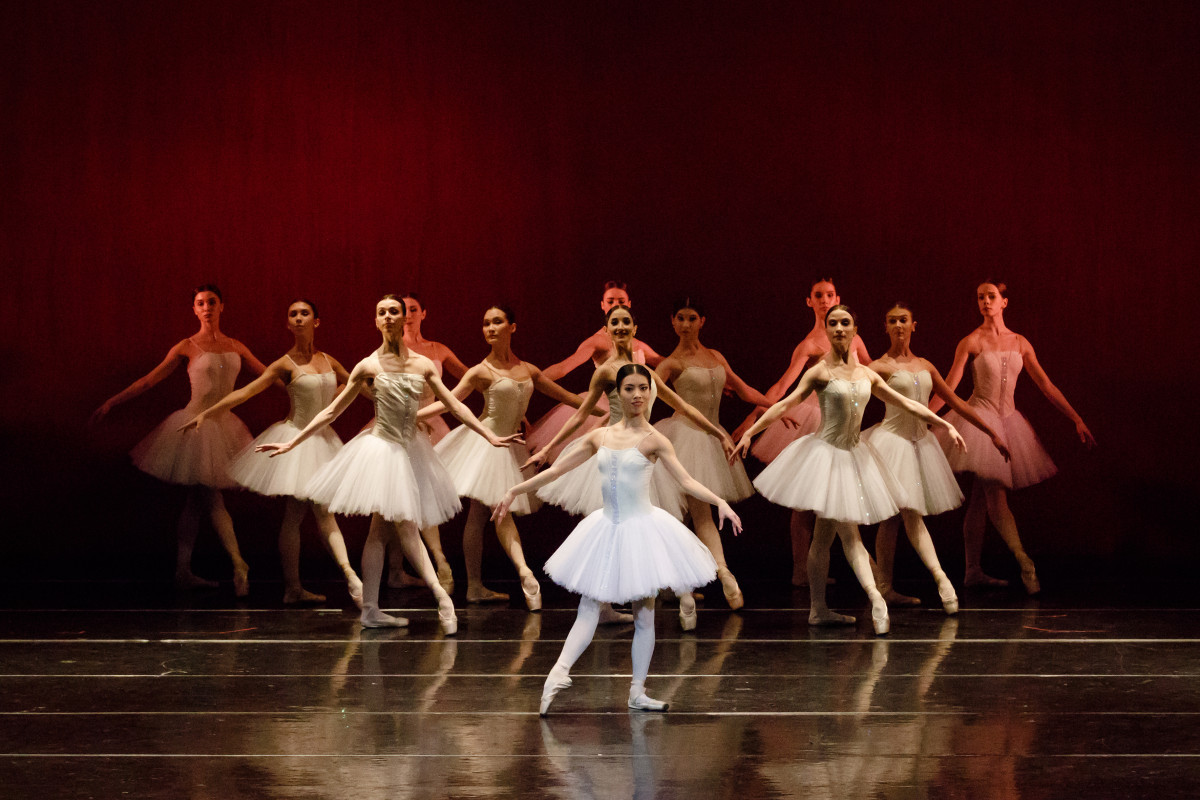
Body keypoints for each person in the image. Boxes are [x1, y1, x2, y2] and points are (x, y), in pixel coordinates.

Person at [255, 295, 519, 631]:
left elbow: (455, 405)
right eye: (382, 312)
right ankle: (440, 598)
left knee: (380, 532)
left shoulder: (422, 365)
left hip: (410, 451)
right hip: (380, 451)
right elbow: (332, 410)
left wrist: (488, 435)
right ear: (376, 321)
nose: (389, 316)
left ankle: (372, 609)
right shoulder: (368, 366)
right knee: (401, 528)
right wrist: (294, 440)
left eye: (395, 311)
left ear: (403, 317)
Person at [494, 364, 741, 714]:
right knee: (589, 606)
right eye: (630, 388)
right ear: (618, 393)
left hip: (643, 531)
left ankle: (637, 691)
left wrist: (720, 503)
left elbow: (686, 481)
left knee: (644, 614)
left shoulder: (655, 440)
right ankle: (558, 673)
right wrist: (514, 490)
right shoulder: (599, 437)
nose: (637, 394)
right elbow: (556, 470)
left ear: (650, 393)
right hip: (606, 529)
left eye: (643, 388)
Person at [735, 306, 966, 635]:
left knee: (824, 536)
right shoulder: (819, 373)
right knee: (846, 535)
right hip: (827, 457)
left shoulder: (867, 375)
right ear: (827, 330)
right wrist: (749, 430)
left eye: (845, 323)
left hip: (854, 455)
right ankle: (875, 599)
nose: (839, 329)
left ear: (855, 329)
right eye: (833, 324)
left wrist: (943, 423)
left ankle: (820, 610)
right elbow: (786, 403)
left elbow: (909, 403)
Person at [526, 304, 736, 629]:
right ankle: (608, 605)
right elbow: (581, 414)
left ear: (635, 328)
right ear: (607, 330)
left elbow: (680, 405)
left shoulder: (645, 373)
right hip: (614, 456)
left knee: (656, 530)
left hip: (644, 457)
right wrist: (550, 447)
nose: (621, 327)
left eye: (626, 322)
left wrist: (717, 432)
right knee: (608, 532)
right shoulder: (606, 372)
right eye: (615, 323)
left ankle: (682, 593)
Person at [181, 299, 363, 605]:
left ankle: (324, 581)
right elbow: (246, 391)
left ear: (316, 321)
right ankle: (337, 579)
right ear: (288, 324)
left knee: (314, 512)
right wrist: (208, 412)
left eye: (305, 313)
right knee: (305, 513)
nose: (299, 318)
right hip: (294, 440)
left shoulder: (330, 361)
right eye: (293, 314)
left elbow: (361, 388)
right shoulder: (283, 364)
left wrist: (402, 409)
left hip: (323, 442)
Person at [91, 284, 267, 595]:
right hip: (194, 428)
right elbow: (148, 380)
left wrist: (312, 392)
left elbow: (269, 375)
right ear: (194, 309)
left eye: (212, 302)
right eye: (200, 303)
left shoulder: (237, 346)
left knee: (197, 501)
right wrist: (112, 402)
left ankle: (184, 570)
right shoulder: (186, 346)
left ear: (222, 306)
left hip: (223, 427)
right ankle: (238, 562)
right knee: (209, 497)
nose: (206, 307)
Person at [421, 304, 596, 608]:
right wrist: (411, 415)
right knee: (501, 507)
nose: (490, 328)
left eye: (497, 322)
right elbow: (449, 402)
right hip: (486, 443)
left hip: (511, 444)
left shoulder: (528, 370)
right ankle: (525, 572)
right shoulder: (480, 371)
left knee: (479, 514)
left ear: (512, 327)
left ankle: (475, 586)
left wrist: (609, 414)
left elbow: (567, 397)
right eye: (486, 323)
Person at [930, 281, 1096, 593]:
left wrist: (1076, 418)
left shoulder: (1020, 342)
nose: (985, 302)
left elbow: (1046, 385)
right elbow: (949, 389)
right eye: (980, 297)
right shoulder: (971, 341)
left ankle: (972, 570)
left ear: (1004, 302)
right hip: (981, 423)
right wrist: (923, 415)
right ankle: (1024, 561)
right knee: (994, 492)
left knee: (980, 499)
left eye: (991, 296)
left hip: (1010, 422)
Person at [862, 302, 1011, 613]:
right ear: (885, 327)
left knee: (903, 516)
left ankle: (895, 585)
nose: (899, 325)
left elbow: (954, 400)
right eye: (893, 321)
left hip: (919, 445)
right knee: (898, 517)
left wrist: (990, 432)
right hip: (891, 443)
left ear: (914, 325)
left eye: (904, 319)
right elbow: (851, 396)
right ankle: (935, 583)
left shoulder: (926, 366)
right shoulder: (878, 367)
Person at [732, 279, 871, 586]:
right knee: (805, 501)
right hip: (813, 421)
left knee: (836, 495)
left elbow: (875, 374)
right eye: (818, 296)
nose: (825, 300)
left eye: (830, 295)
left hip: (843, 422)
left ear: (838, 297)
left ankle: (851, 565)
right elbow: (783, 388)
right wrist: (750, 424)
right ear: (809, 301)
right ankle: (802, 570)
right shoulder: (809, 346)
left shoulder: (854, 339)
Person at [654, 297, 770, 610]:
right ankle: (717, 576)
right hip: (683, 439)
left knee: (693, 514)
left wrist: (776, 408)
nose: (686, 324)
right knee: (691, 514)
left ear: (702, 321)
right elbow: (646, 393)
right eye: (681, 318)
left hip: (710, 441)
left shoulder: (715, 356)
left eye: (692, 318)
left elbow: (744, 390)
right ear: (673, 321)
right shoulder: (669, 364)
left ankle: (685, 582)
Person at [525, 280, 662, 463]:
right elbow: (564, 367)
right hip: (603, 411)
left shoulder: (638, 344)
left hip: (634, 415)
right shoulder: (597, 341)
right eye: (611, 301)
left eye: (621, 301)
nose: (616, 305)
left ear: (629, 305)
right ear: (603, 305)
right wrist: (529, 381)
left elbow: (666, 363)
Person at [386, 293, 469, 593]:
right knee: (397, 497)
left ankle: (433, 561)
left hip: (432, 426)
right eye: (402, 310)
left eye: (413, 310)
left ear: (424, 313)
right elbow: (377, 387)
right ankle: (404, 568)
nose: (407, 315)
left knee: (420, 495)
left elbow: (471, 380)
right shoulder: (391, 348)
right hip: (402, 426)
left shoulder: (438, 350)